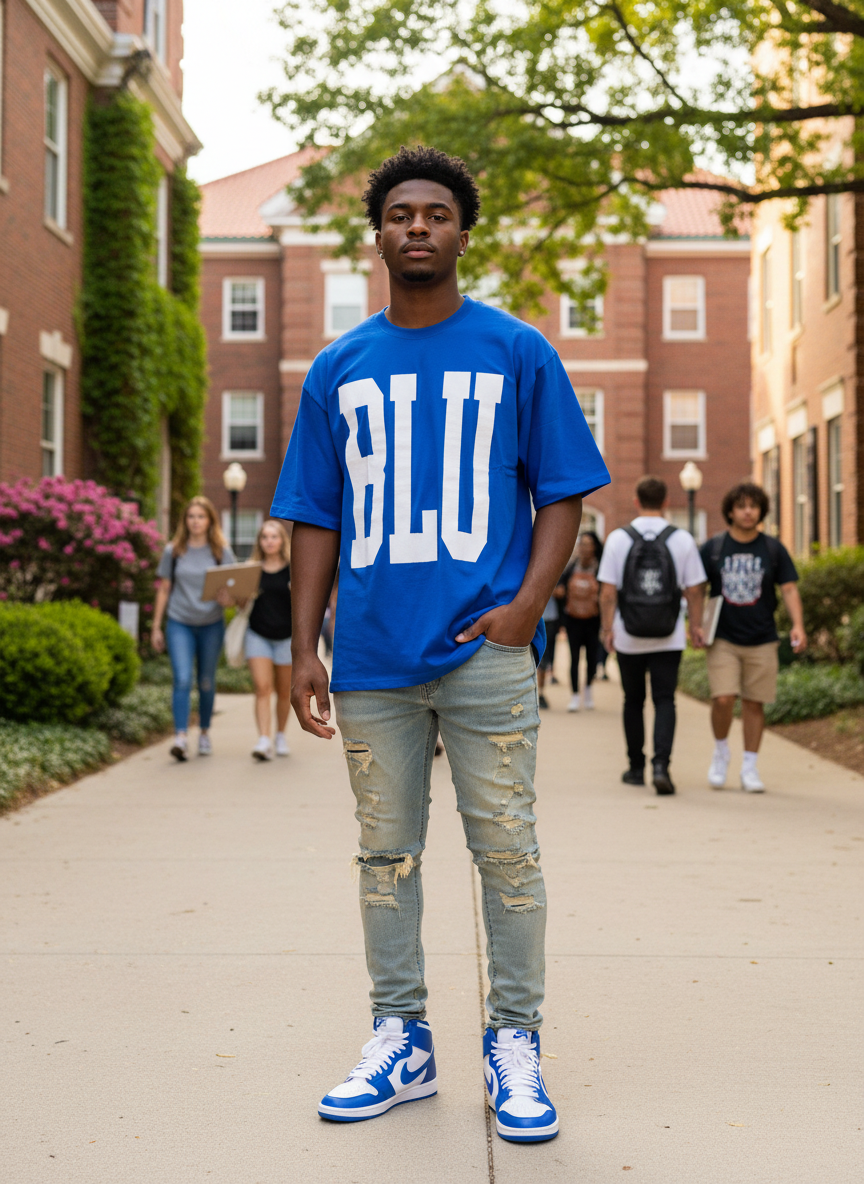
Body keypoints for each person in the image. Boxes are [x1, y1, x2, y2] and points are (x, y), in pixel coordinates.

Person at [271, 146, 609, 1142]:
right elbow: (314, 517)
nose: (417, 227)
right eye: (400, 215)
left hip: (486, 653)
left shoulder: (517, 350)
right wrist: (304, 647)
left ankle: (516, 1043)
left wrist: (526, 607)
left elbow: (564, 492)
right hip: (372, 658)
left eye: (436, 214)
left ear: (465, 232)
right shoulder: (338, 367)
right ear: (375, 235)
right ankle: (402, 1035)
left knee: (507, 850)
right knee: (386, 854)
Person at [597, 477, 706, 795]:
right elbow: (695, 589)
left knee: (632, 700)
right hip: (668, 634)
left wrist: (607, 629)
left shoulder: (619, 538)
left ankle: (634, 768)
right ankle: (661, 766)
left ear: (635, 501)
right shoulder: (682, 539)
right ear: (666, 501)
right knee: (664, 700)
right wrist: (695, 626)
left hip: (628, 634)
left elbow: (606, 593)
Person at [700, 482, 806, 793]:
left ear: (761, 511)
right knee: (722, 698)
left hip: (762, 637)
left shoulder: (773, 549)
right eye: (742, 506)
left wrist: (798, 625)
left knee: (754, 702)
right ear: (730, 511)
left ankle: (749, 765)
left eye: (754, 506)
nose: (748, 511)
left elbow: (788, 588)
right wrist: (696, 624)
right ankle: (721, 751)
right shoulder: (714, 547)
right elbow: (694, 588)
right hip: (722, 637)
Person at [152, 496, 237, 761]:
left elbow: (235, 591)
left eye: (201, 516)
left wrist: (228, 600)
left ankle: (203, 733)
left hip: (211, 623)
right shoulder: (174, 551)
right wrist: (156, 626)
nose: (196, 521)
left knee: (206, 681)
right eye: (191, 516)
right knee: (182, 679)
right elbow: (164, 589)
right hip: (180, 622)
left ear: (210, 520)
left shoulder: (221, 551)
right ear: (185, 521)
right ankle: (180, 737)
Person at [246, 519, 293, 762]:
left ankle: (281, 735)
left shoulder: (294, 569)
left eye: (273, 536)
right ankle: (264, 739)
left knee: (284, 692)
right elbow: (241, 604)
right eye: (264, 537)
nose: (269, 541)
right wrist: (231, 597)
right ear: (260, 542)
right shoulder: (251, 569)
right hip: (258, 635)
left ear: (281, 540)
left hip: (287, 637)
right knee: (262, 688)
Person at [556, 530, 603, 711]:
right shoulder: (571, 567)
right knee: (574, 658)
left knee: (592, 658)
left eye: (587, 544)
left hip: (592, 621)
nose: (583, 548)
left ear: (594, 547)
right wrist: (559, 592)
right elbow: (559, 587)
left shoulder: (600, 568)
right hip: (573, 620)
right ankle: (575, 695)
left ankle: (588, 687)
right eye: (581, 544)